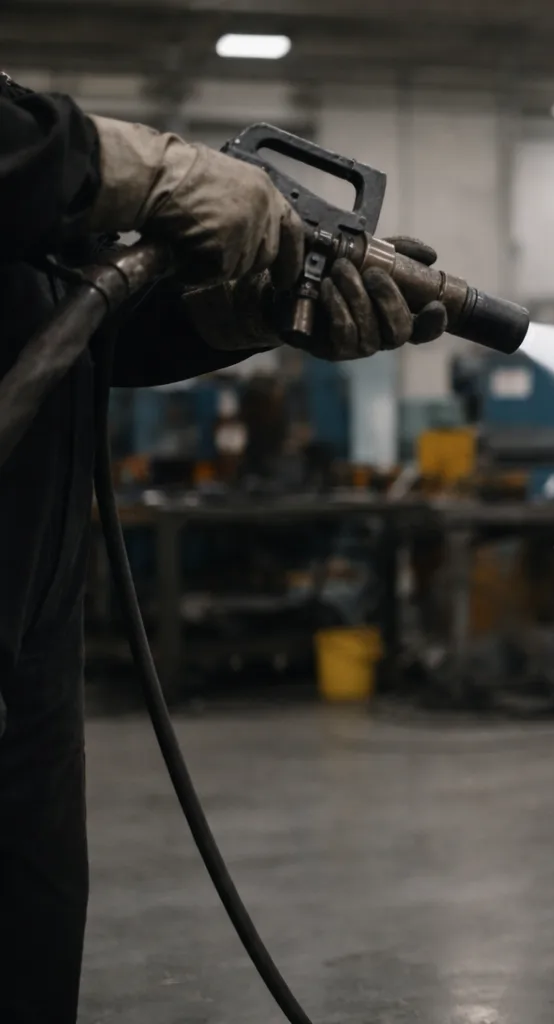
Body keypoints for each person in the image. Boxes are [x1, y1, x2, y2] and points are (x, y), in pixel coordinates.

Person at [0, 74, 443, 1023]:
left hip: (30, 630)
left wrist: (231, 319)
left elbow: (65, 317)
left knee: (28, 939)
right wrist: (131, 168)